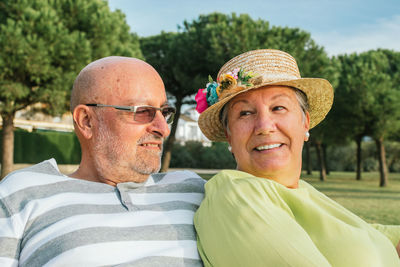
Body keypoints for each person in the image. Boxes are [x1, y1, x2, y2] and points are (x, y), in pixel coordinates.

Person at [193, 49, 400, 266]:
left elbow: (377, 238)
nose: (264, 127)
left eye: (278, 108)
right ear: (229, 135)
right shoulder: (236, 195)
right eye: (245, 113)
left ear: (305, 123)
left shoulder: (303, 192)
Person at [0, 56, 205, 266]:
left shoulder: (195, 191)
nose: (164, 128)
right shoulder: (22, 194)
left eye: (165, 112)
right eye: (143, 112)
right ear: (87, 121)